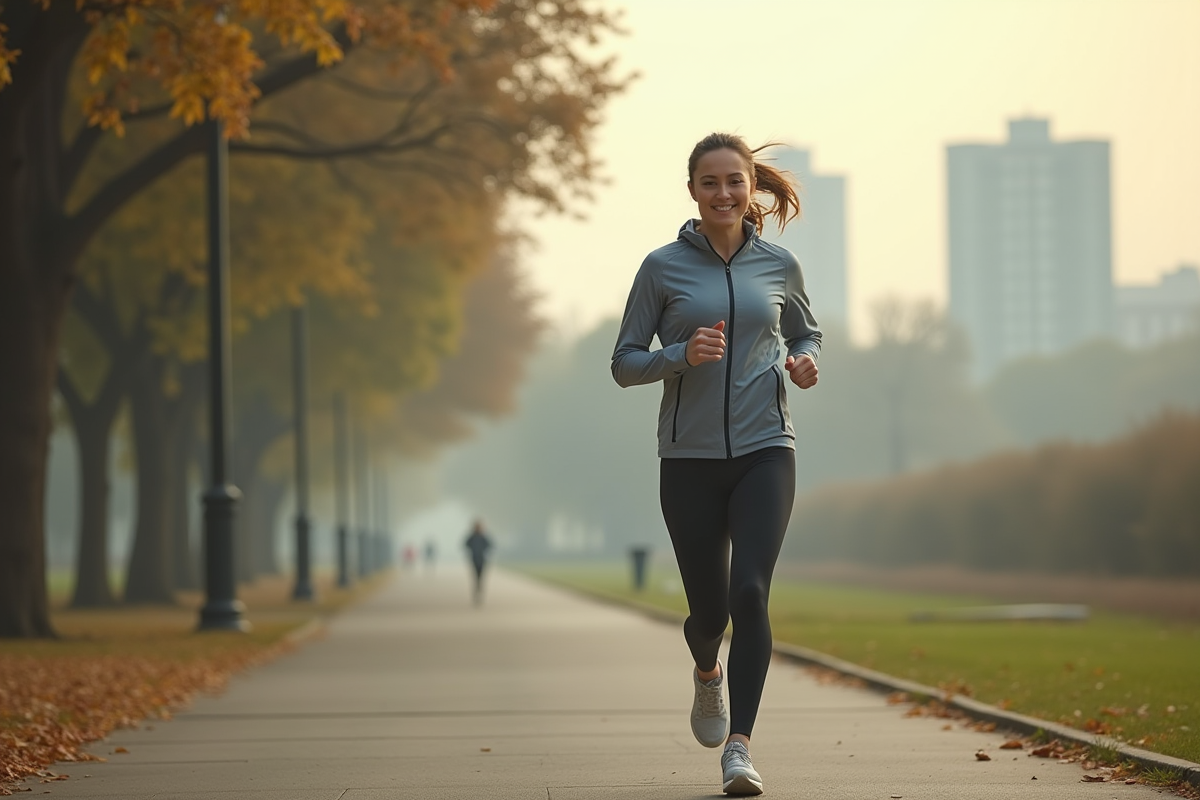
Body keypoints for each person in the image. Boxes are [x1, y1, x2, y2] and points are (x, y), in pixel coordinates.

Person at [610, 132, 821, 796]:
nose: (724, 193)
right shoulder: (662, 267)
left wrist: (806, 360)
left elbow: (804, 330)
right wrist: (679, 354)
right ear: (693, 191)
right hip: (689, 460)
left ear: (751, 187)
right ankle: (708, 673)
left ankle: (740, 747)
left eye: (736, 181)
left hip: (766, 449)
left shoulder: (779, 265)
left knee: (750, 592)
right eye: (711, 182)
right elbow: (624, 363)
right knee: (709, 614)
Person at [463, 520, 494, 606]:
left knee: (480, 577)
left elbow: (489, 545)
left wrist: (483, 550)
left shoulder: (483, 537)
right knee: (476, 576)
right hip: (474, 559)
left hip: (482, 560)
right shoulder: (472, 537)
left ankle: (479, 589)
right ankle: (477, 590)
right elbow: (466, 544)